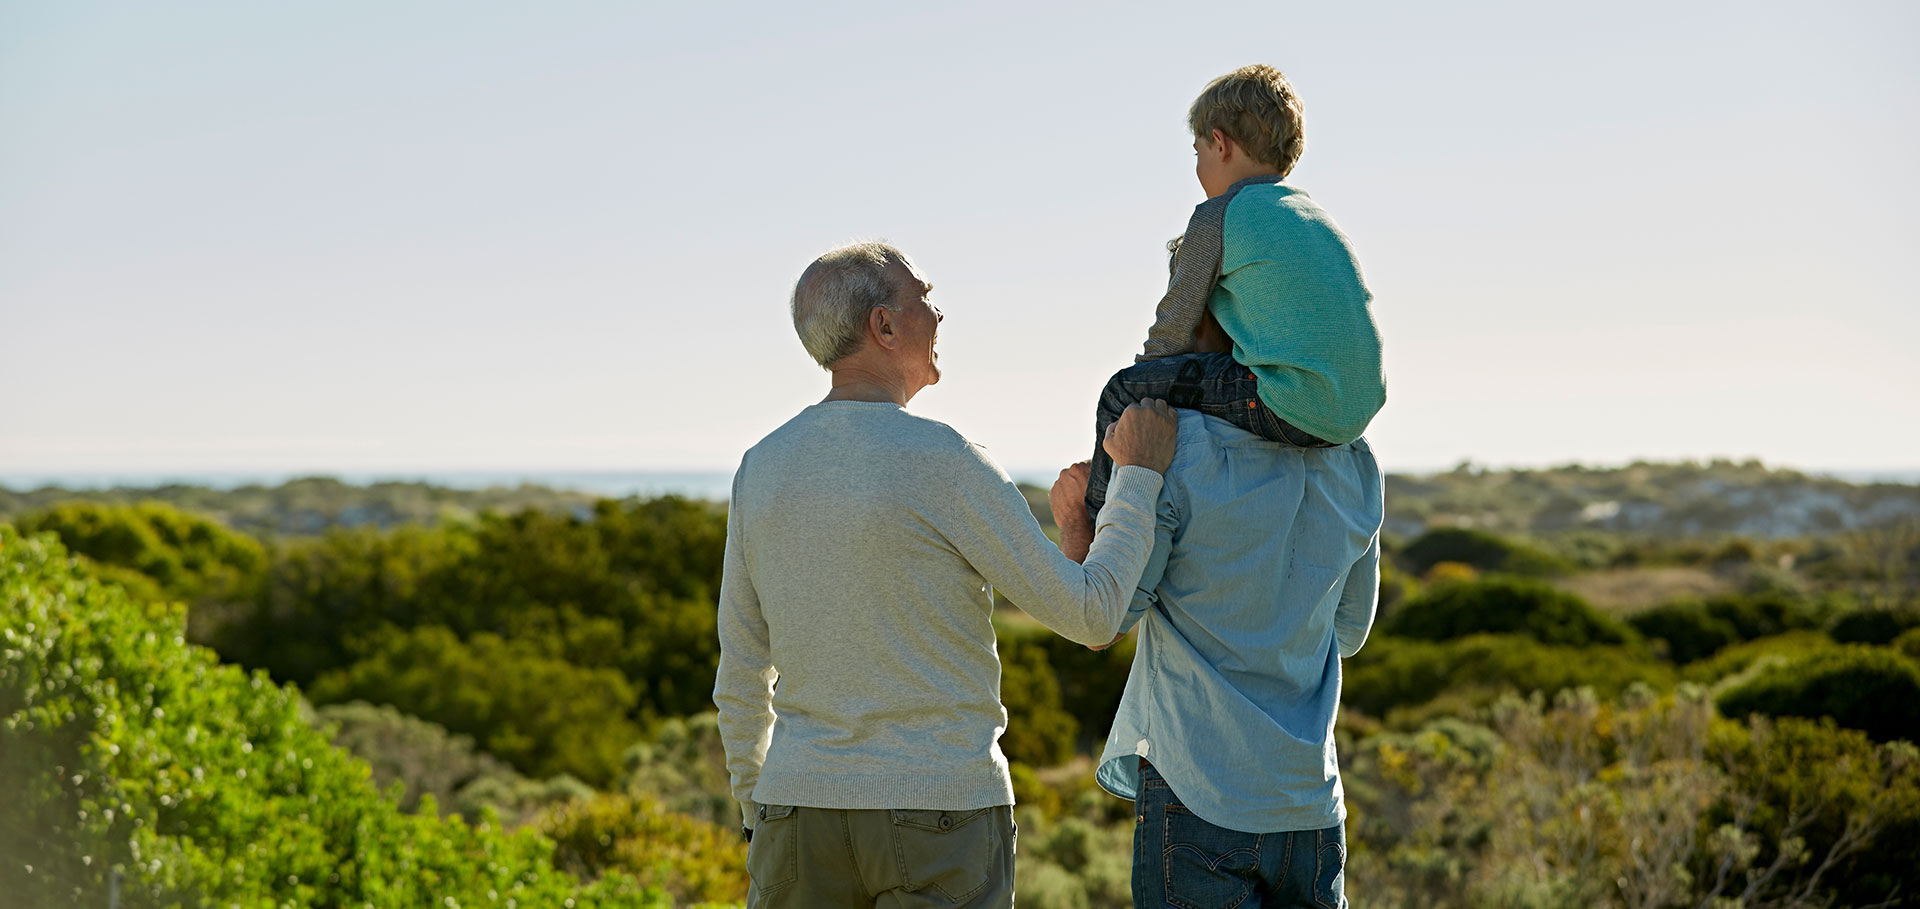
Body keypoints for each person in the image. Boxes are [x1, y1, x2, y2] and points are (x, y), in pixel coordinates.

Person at [712, 241, 1178, 908]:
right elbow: (1093, 614)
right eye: (924, 298)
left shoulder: (761, 466)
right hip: (941, 812)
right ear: (884, 325)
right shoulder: (946, 459)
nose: (938, 314)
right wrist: (1137, 474)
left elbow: (740, 672)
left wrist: (759, 809)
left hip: (794, 815)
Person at [1054, 309, 1385, 908]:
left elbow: (1099, 621)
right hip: (1310, 805)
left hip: (1200, 794)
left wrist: (1078, 522)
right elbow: (1351, 632)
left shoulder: (1171, 447)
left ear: (1218, 318)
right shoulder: (1354, 456)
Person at [1084, 63, 1387, 522]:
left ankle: (1095, 532)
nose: (1198, 167)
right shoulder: (1315, 217)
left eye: (1198, 152)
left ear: (1219, 143)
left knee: (1121, 391)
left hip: (1287, 402)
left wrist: (1145, 385)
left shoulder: (1218, 215)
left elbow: (1174, 327)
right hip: (1355, 410)